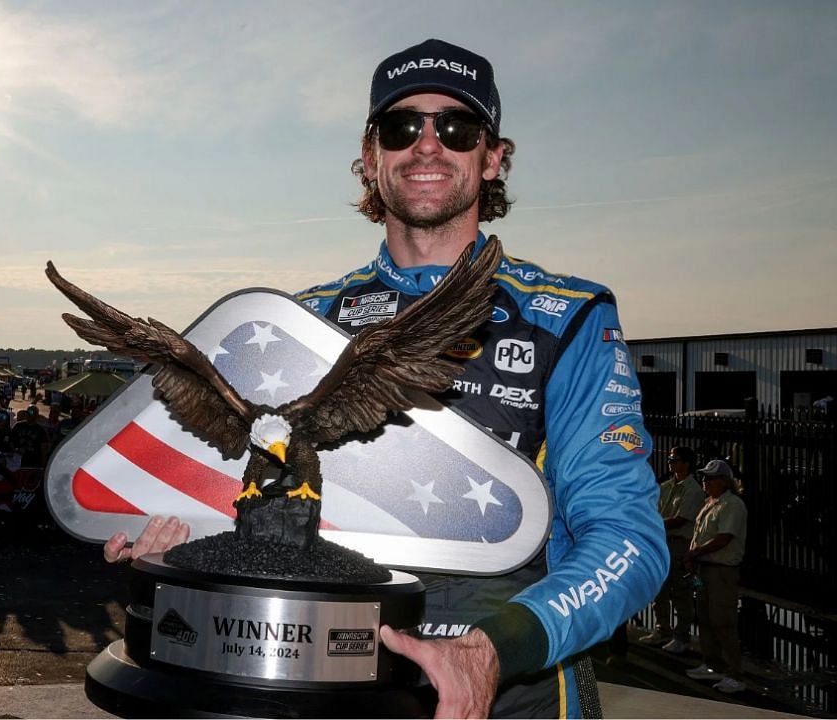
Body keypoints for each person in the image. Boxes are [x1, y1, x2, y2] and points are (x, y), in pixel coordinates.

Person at [102, 39, 665, 718]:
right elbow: (251, 501)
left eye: (456, 128)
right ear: (370, 160)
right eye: (401, 128)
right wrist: (175, 540)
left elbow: (628, 542)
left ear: (493, 158)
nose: (427, 145)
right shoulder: (305, 320)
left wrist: (492, 650)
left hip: (513, 694)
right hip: (327, 690)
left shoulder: (567, 318)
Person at [684, 458, 748, 694]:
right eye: (705, 477)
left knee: (723, 621)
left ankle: (735, 673)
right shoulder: (711, 502)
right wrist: (694, 556)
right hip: (705, 568)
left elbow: (724, 538)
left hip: (721, 570)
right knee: (706, 619)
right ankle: (712, 665)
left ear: (724, 481)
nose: (706, 481)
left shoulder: (732, 505)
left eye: (711, 478)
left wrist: (696, 552)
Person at [640, 445, 704, 653]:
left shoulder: (693, 490)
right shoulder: (666, 486)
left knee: (680, 591)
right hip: (662, 541)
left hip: (678, 543)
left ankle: (682, 635)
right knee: (659, 589)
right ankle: (662, 629)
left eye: (674, 460)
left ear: (686, 463)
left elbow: (680, 519)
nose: (670, 463)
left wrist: (653, 523)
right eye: (670, 459)